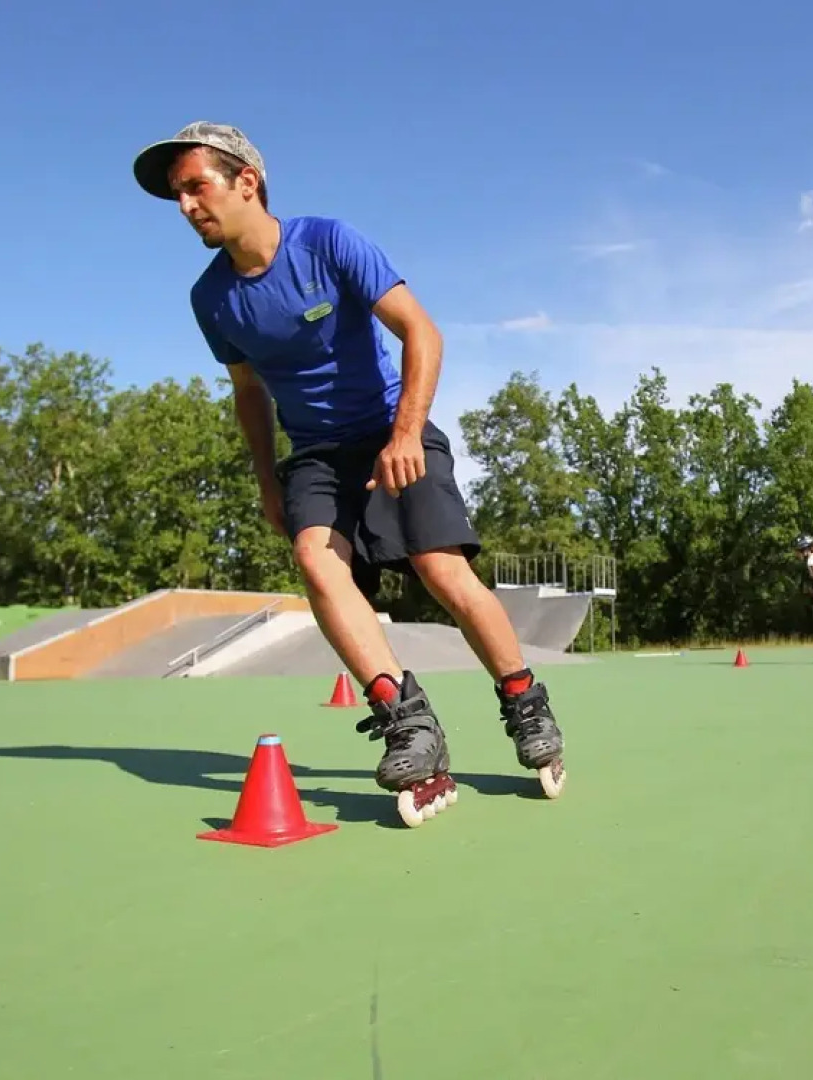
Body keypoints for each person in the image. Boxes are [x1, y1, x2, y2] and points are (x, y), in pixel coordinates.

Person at [131, 122, 565, 825]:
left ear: (247, 180)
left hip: (395, 427)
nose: (184, 206)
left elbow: (422, 331)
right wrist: (269, 483)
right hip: (315, 454)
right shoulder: (211, 299)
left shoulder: (328, 243)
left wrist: (403, 436)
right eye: (175, 195)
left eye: (194, 186)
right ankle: (407, 720)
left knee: (440, 569)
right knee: (314, 557)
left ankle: (523, 700)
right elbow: (248, 391)